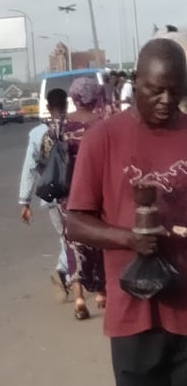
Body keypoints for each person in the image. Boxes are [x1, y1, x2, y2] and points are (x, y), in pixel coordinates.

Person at [67, 38, 187, 386]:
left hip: (186, 309)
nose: (165, 101)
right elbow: (75, 221)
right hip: (133, 315)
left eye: (175, 91)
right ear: (134, 82)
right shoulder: (104, 137)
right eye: (155, 89)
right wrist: (127, 238)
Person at [57, 77, 106, 320]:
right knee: (100, 238)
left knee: (73, 241)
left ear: (74, 98)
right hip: (99, 190)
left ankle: (78, 297)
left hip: (69, 193)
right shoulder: (103, 124)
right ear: (95, 96)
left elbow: (47, 158)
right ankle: (101, 292)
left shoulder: (59, 126)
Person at [18, 87, 69, 302]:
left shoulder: (37, 134)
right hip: (76, 191)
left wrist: (25, 201)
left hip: (51, 194)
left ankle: (66, 273)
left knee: (64, 236)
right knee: (73, 237)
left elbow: (29, 168)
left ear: (48, 108)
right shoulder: (75, 128)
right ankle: (63, 271)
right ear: (66, 105)